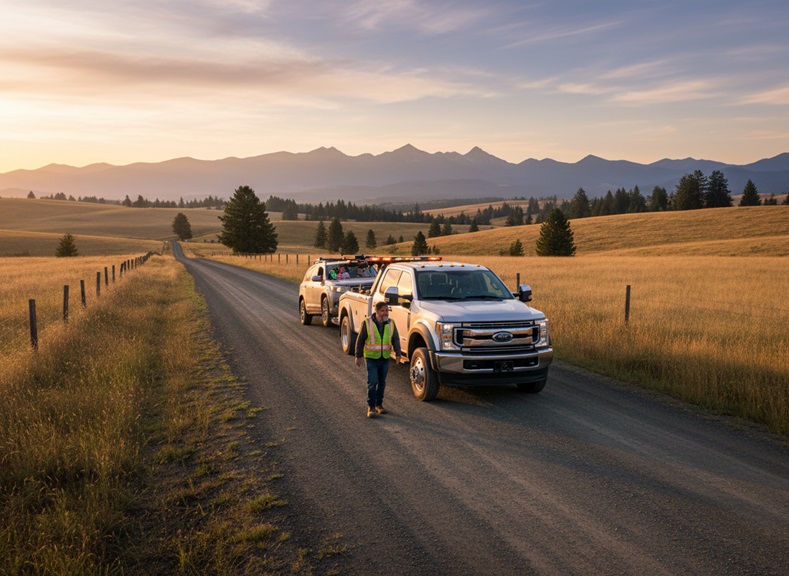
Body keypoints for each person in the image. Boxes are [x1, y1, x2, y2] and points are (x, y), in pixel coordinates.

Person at [355, 301, 401, 418]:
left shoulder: (391, 323)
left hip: (385, 357)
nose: (385, 313)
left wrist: (398, 354)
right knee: (372, 382)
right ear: (377, 311)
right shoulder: (367, 323)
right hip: (371, 358)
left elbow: (395, 339)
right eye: (383, 311)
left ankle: (379, 405)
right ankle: (371, 407)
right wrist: (358, 356)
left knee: (382, 383)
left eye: (387, 311)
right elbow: (360, 340)